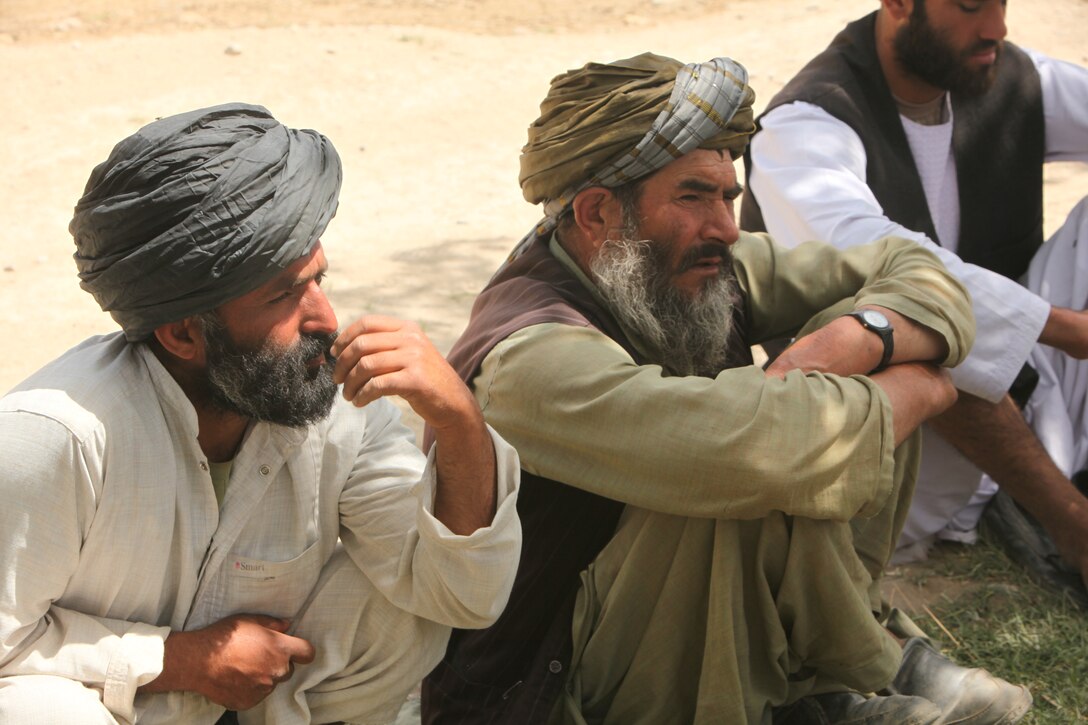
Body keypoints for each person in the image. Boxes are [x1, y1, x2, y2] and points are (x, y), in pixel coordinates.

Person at [420, 52, 1028, 724]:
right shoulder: (531, 357)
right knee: (720, 463)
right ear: (596, 213)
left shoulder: (695, 265)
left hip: (654, 638)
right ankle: (864, 660)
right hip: (553, 685)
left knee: (840, 332)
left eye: (728, 195)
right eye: (693, 197)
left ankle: (813, 681)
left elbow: (915, 265)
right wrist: (920, 389)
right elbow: (753, 449)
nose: (727, 227)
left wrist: (860, 339)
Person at [0, 103, 522, 725]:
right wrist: (180, 660)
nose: (326, 320)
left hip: (259, 709)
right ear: (183, 335)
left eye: (318, 281)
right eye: (284, 295)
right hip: (106, 707)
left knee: (401, 598)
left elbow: (462, 594)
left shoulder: (331, 409)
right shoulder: (57, 436)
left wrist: (460, 421)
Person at [742, 0, 1088, 599]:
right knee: (903, 323)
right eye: (972, 7)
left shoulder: (1007, 75)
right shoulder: (806, 126)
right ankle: (1073, 527)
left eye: (1003, 4)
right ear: (900, 4)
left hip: (1032, 392)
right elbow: (881, 264)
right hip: (910, 449)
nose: (997, 29)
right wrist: (1067, 330)